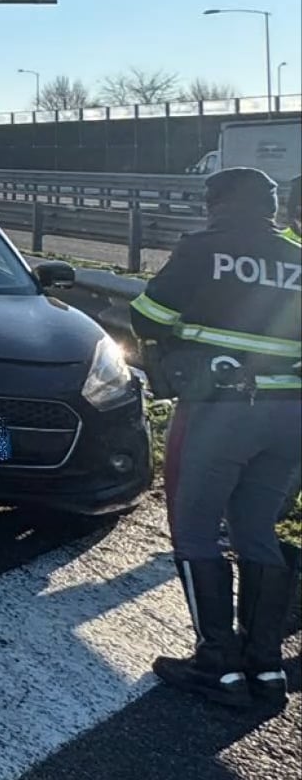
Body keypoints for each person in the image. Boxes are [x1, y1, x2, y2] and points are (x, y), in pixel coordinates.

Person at [132, 167, 301, 709]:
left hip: (222, 408)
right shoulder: (298, 257)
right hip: (290, 414)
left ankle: (217, 664)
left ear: (217, 204)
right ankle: (266, 668)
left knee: (196, 531)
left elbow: (148, 316)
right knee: (257, 530)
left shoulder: (205, 249)